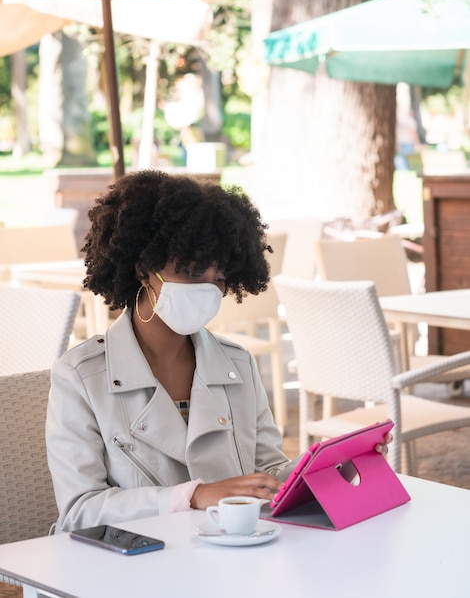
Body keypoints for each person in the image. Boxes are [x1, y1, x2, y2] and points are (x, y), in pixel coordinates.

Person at [46, 169, 390, 532]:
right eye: (193, 273)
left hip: (229, 555)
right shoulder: (80, 377)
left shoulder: (237, 363)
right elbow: (79, 511)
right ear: (144, 270)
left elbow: (268, 475)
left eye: (219, 279)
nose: (208, 291)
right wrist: (194, 495)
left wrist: (325, 466)